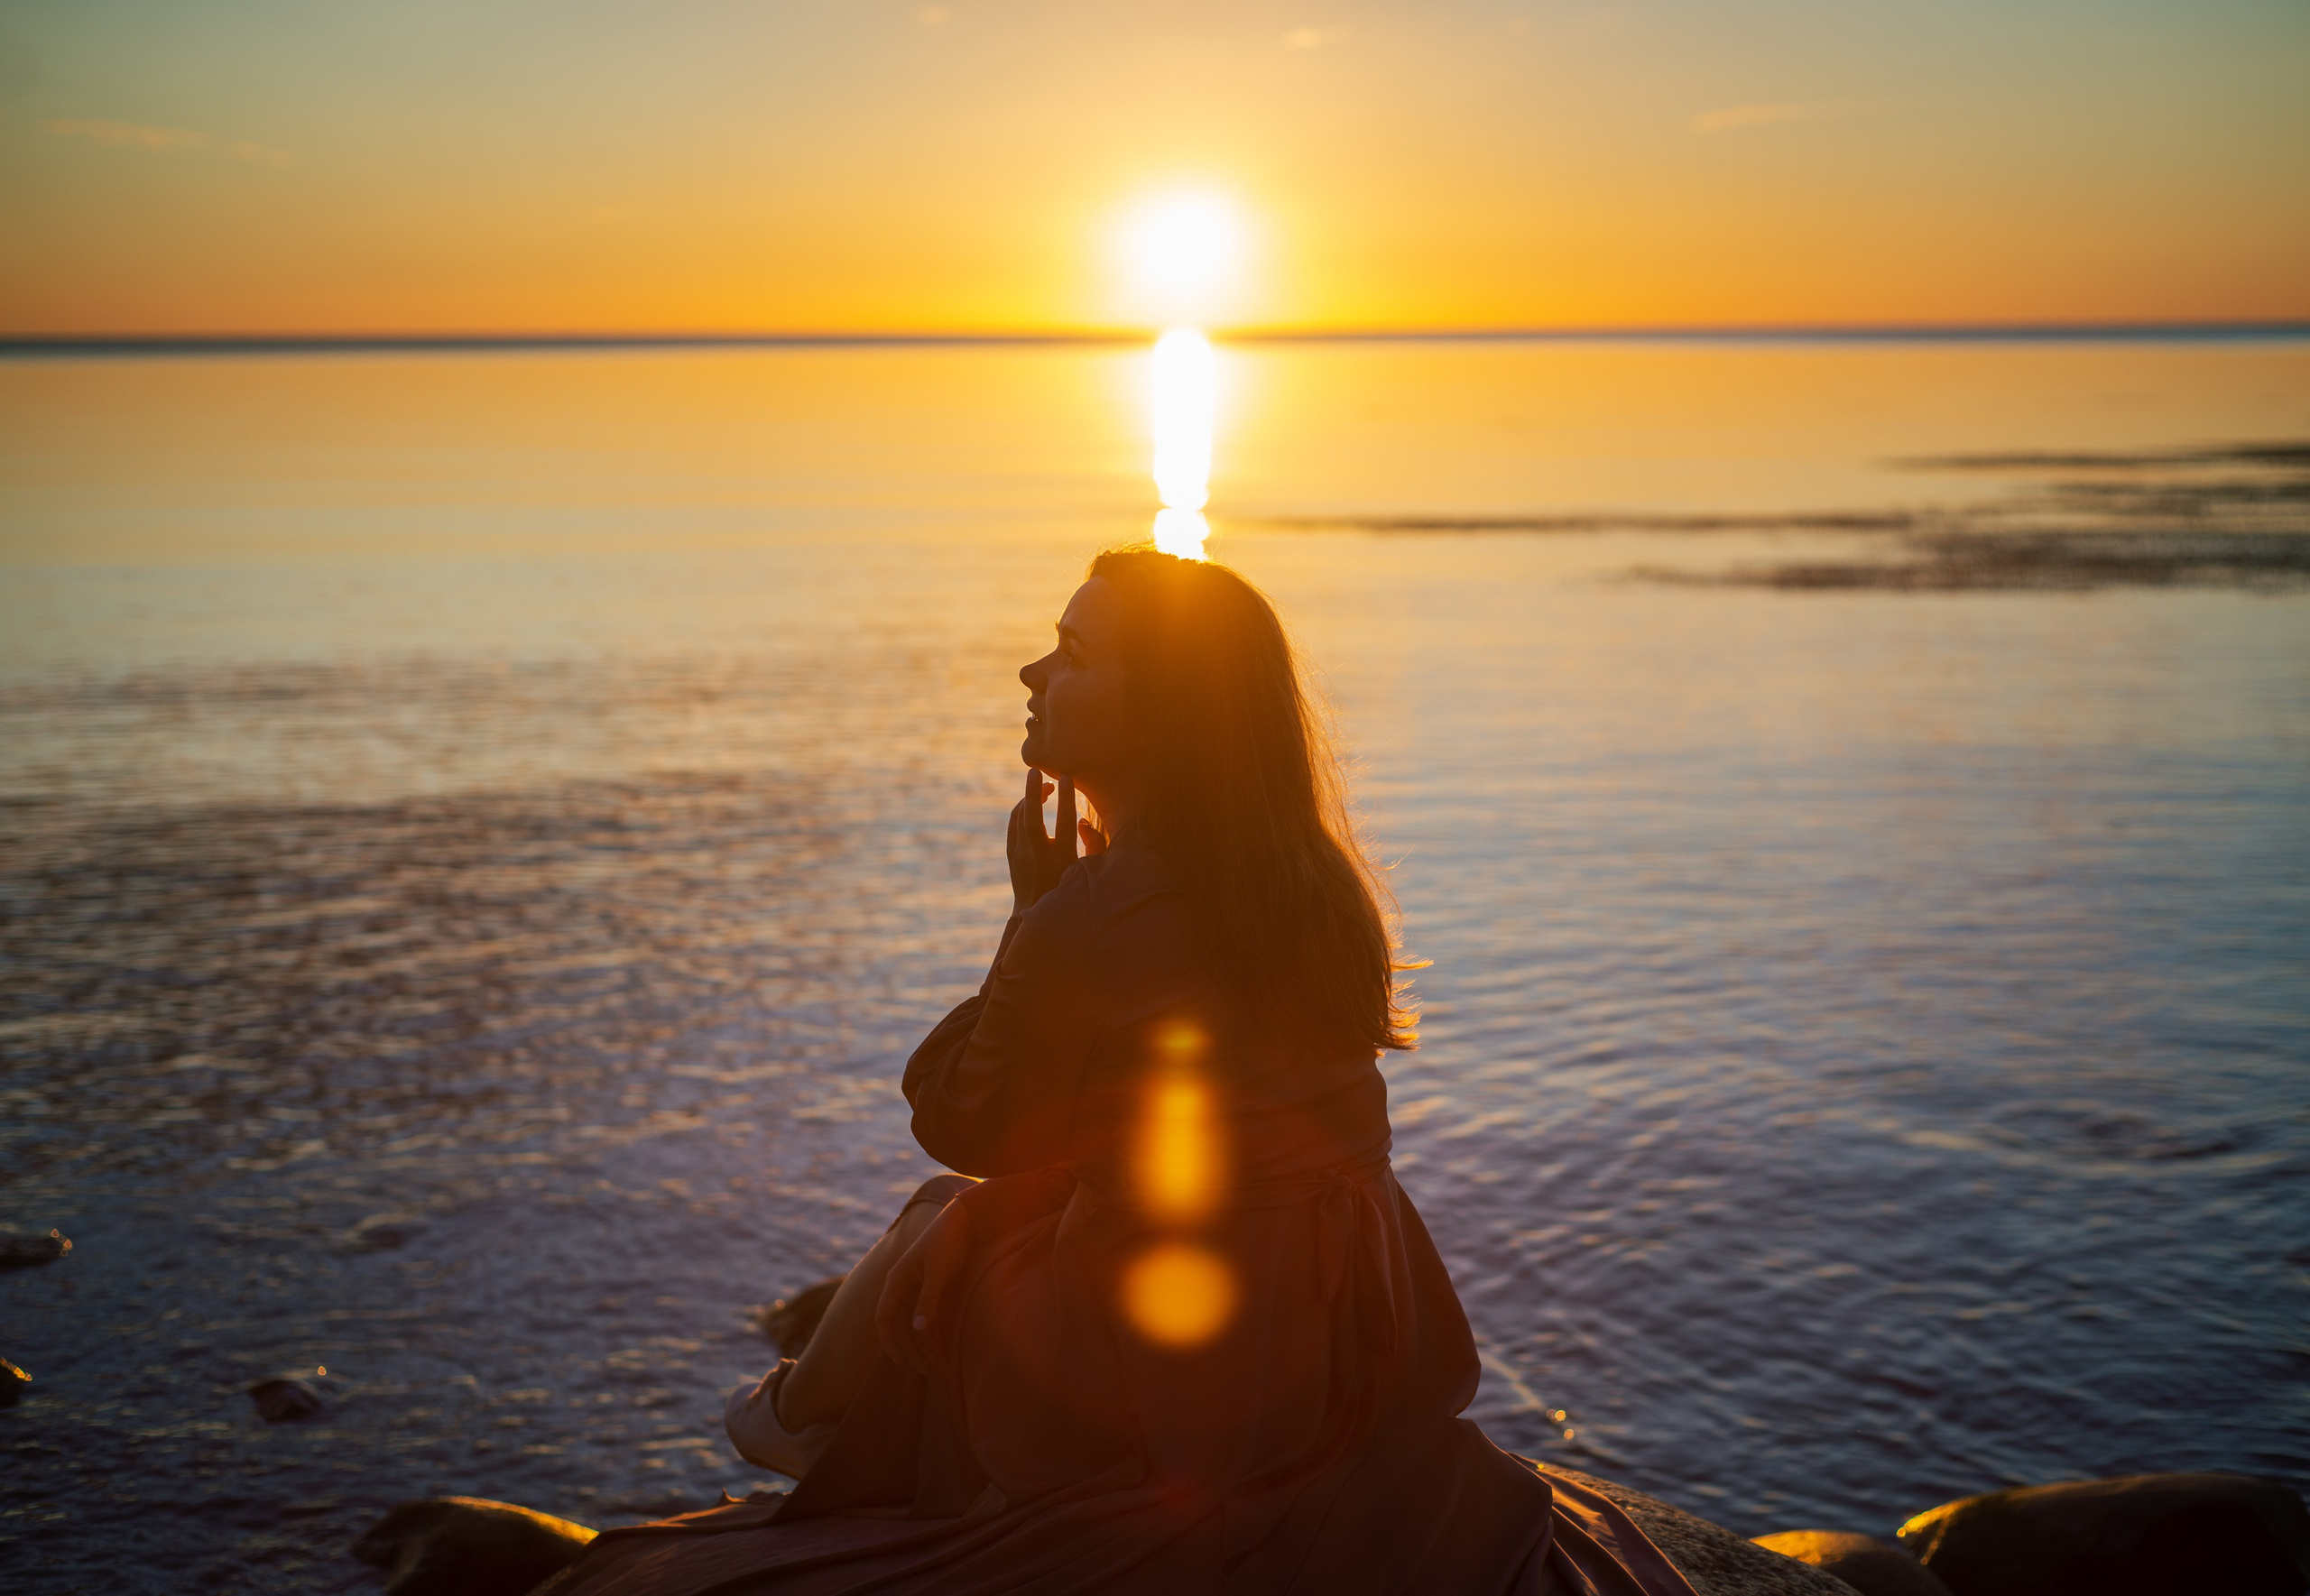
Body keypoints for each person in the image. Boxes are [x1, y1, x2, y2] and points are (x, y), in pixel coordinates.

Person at [541, 549, 1696, 1595]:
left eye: (1075, 652)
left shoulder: (1089, 917)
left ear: (1167, 711)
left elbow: (965, 1121)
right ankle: (795, 1420)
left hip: (1179, 1374)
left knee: (954, 1208)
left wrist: (1026, 919)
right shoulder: (1316, 884)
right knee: (989, 1212)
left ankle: (792, 1424)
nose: (1032, 670)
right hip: (1344, 1330)